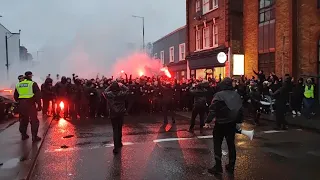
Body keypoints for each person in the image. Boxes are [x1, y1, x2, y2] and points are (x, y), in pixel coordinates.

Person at [204, 77, 243, 175]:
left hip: (220, 123)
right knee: (231, 144)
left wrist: (208, 121)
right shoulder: (236, 95)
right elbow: (240, 110)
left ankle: (218, 166)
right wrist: (239, 122)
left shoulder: (219, 95)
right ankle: (231, 165)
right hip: (231, 123)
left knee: (217, 144)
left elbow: (213, 109)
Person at [14, 71, 42, 142]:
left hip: (21, 104)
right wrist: (39, 105)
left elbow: (15, 96)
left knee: (23, 119)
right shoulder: (32, 83)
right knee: (34, 120)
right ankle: (34, 137)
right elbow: (38, 95)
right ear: (30, 76)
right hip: (30, 104)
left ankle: (23, 135)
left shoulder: (19, 84)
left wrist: (19, 102)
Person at [104, 81, 129, 154]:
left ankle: (116, 147)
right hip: (121, 113)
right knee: (120, 128)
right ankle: (120, 142)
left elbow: (105, 91)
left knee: (115, 130)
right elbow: (127, 90)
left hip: (113, 113)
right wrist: (122, 85)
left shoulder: (109, 94)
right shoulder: (122, 94)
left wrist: (110, 86)